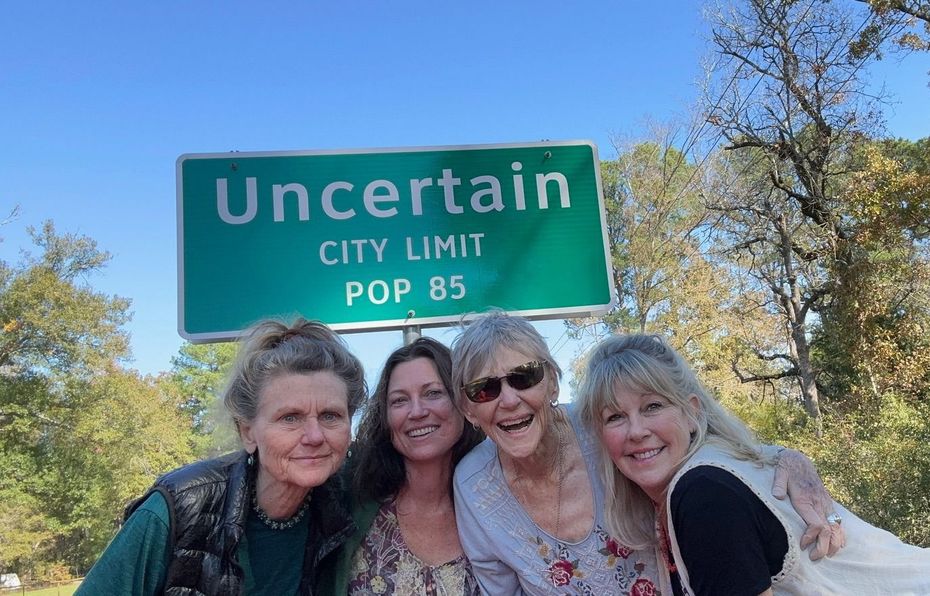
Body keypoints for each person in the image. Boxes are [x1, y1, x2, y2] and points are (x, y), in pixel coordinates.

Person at [450, 311, 845, 595]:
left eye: (524, 377)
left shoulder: (603, 425)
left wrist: (789, 459)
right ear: (468, 409)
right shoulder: (473, 488)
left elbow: (706, 453)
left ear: (552, 382)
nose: (509, 399)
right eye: (484, 389)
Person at [577, 333, 930, 595]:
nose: (637, 431)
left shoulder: (704, 494)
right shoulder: (715, 470)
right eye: (615, 417)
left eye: (653, 406)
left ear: (692, 412)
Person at [77, 318, 367, 595]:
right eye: (290, 418)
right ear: (248, 433)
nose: (315, 436)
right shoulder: (179, 507)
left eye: (331, 416)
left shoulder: (346, 504)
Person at [326, 337, 484, 595]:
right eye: (399, 400)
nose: (417, 411)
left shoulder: (498, 500)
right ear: (385, 418)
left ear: (463, 403)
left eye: (433, 393)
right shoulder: (349, 499)